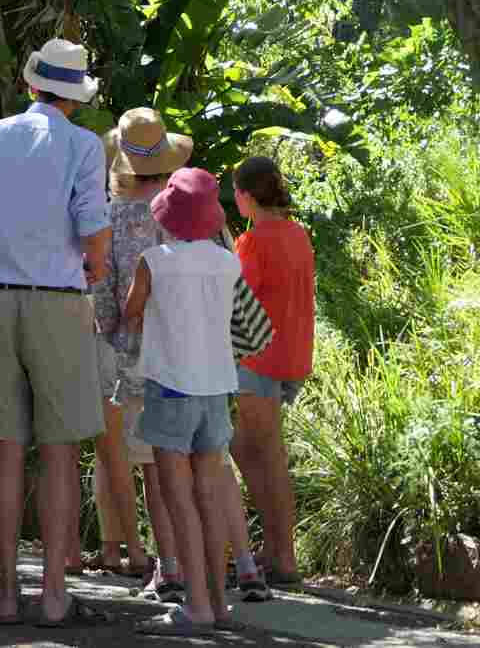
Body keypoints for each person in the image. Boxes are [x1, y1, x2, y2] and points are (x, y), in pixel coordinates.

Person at [0, 39, 111, 627]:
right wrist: (95, 263)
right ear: (75, 97)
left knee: (5, 452)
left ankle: (9, 593)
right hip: (57, 303)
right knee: (59, 452)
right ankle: (55, 594)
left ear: (32, 84)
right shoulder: (83, 145)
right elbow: (92, 226)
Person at [122, 166, 271, 635]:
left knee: (178, 499)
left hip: (171, 387)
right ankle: (219, 606)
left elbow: (131, 312)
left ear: (168, 216)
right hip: (216, 389)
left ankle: (197, 606)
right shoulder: (228, 262)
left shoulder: (153, 260)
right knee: (208, 496)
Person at [88, 109, 184, 592]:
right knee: (169, 464)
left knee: (125, 459)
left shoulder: (108, 218)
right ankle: (181, 559)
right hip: (178, 355)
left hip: (123, 353)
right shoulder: (181, 215)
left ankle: (143, 555)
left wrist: (114, 334)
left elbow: (103, 296)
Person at [230, 157, 314, 588]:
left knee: (267, 454)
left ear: (247, 196)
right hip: (292, 354)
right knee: (245, 448)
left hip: (259, 357)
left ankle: (285, 557)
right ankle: (273, 547)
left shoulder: (252, 242)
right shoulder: (298, 234)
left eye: (236, 193)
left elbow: (235, 299)